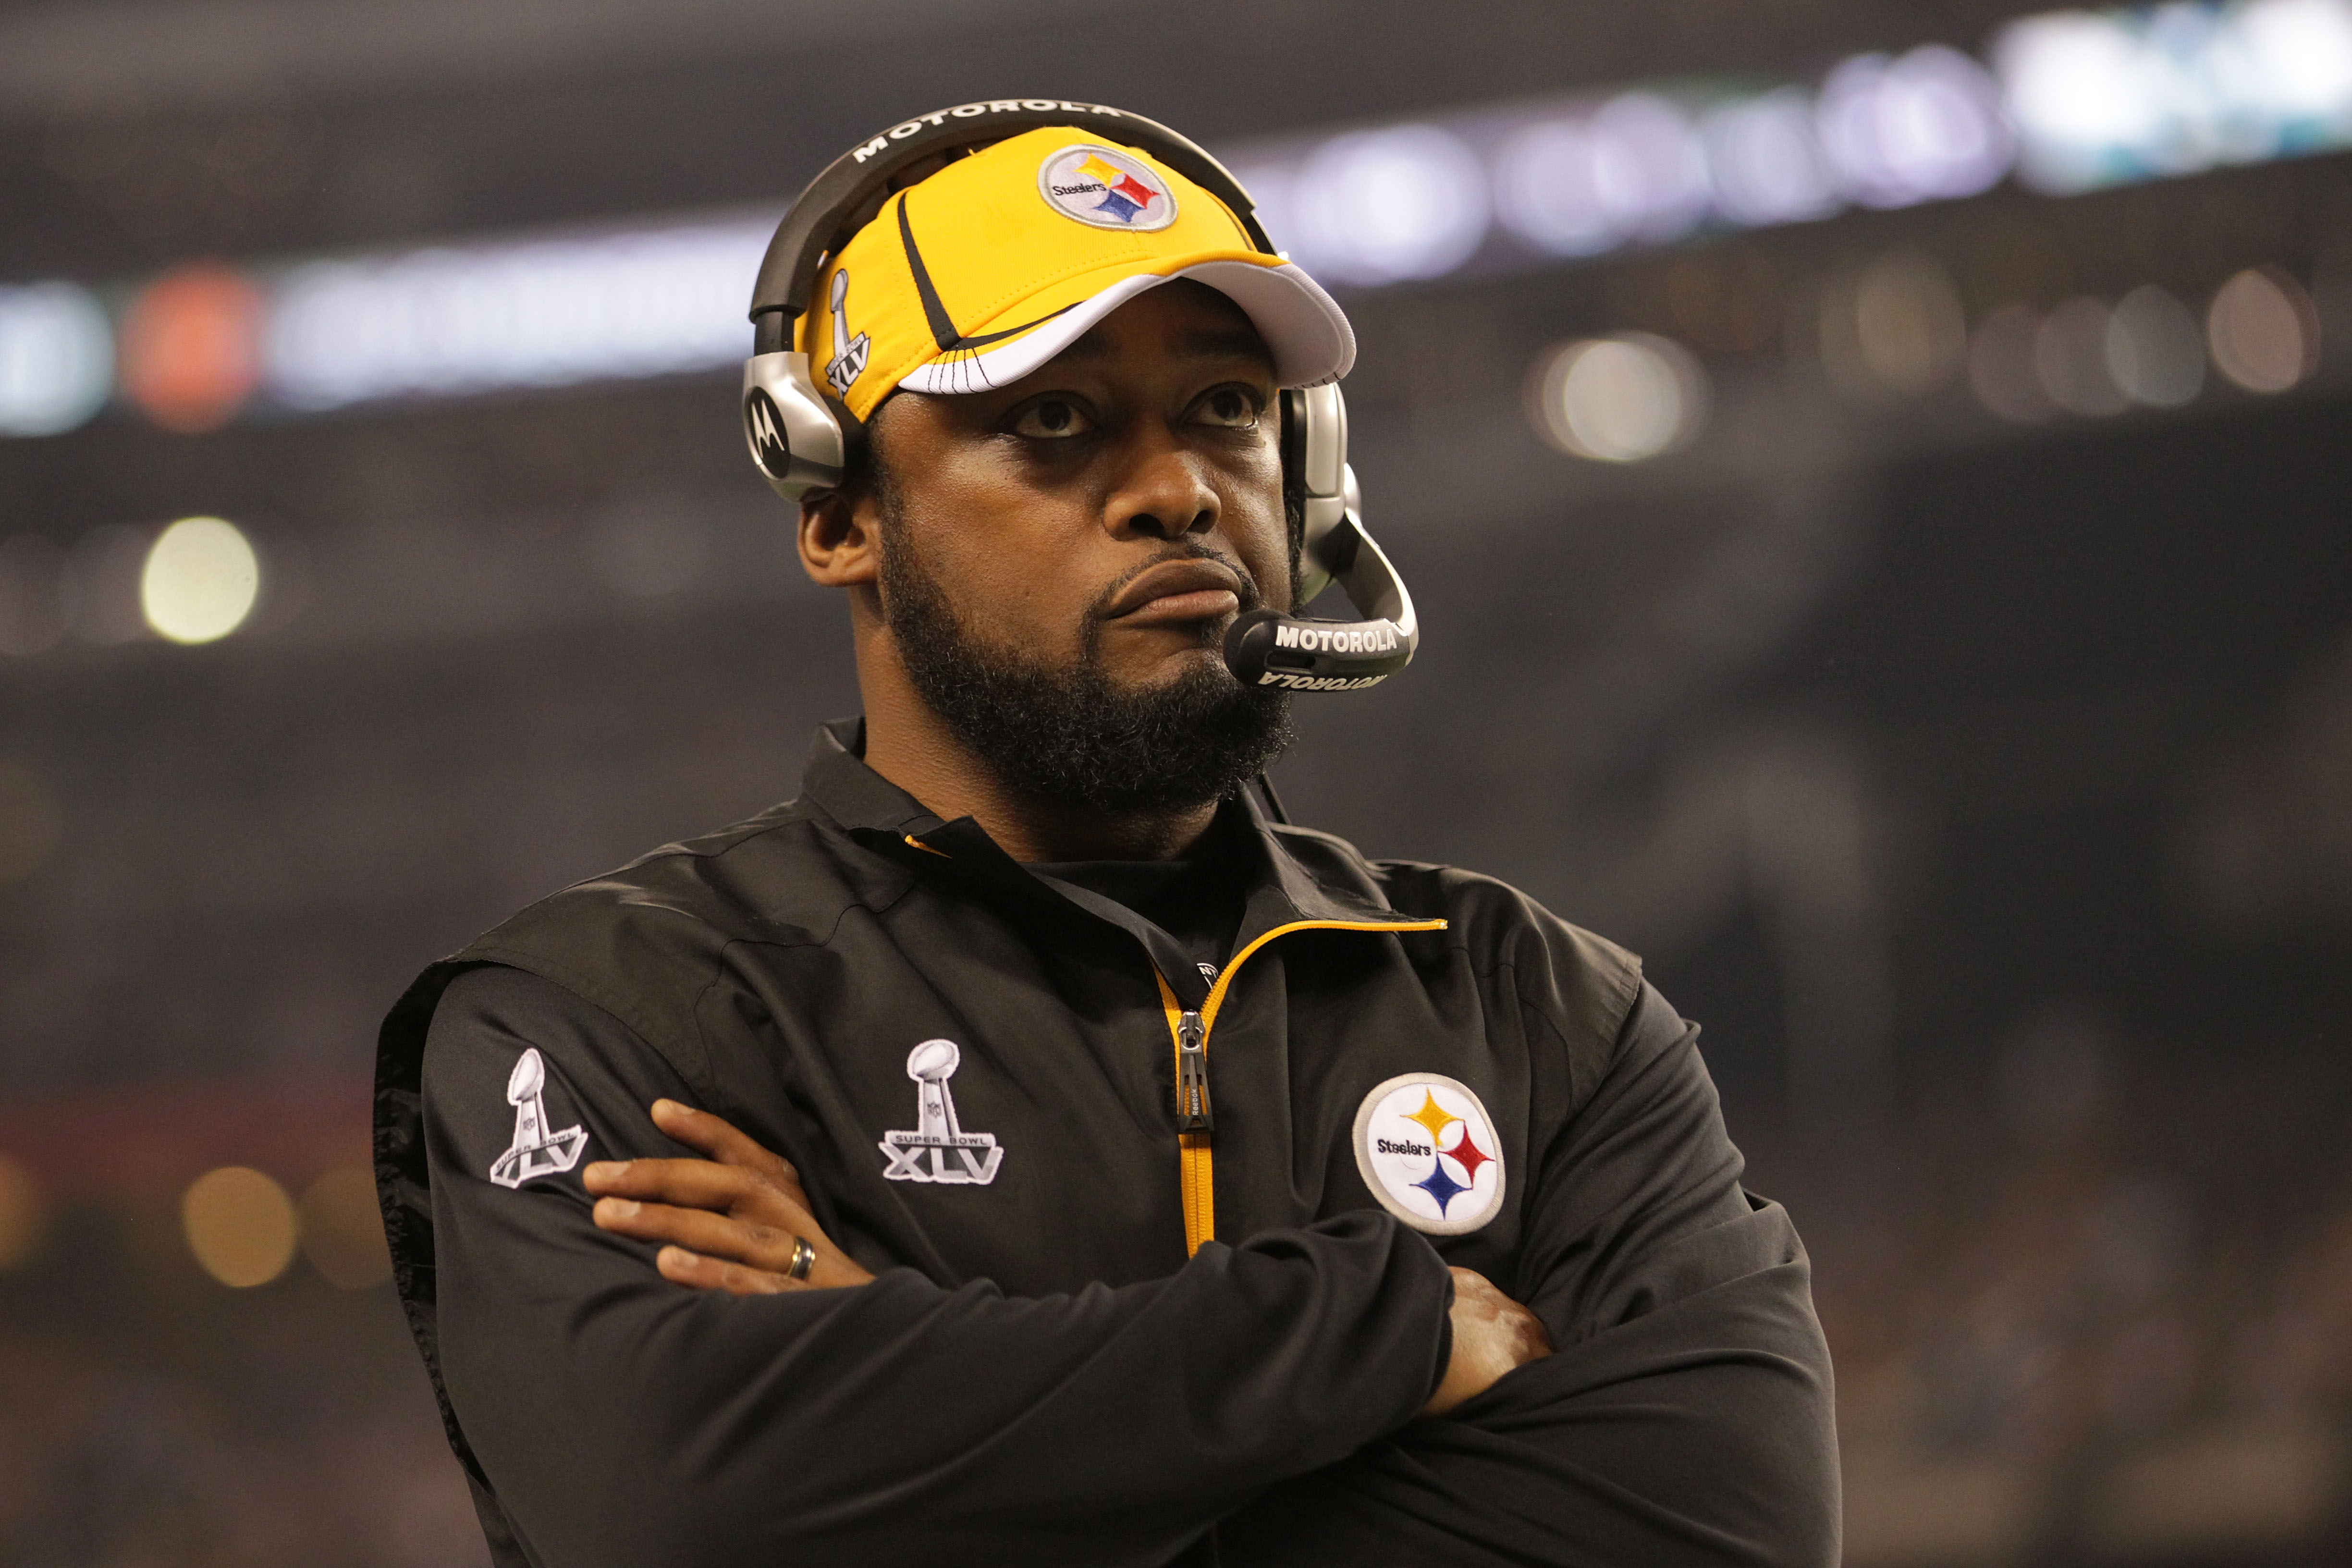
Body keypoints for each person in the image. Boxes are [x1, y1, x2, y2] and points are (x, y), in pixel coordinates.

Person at [375, 107, 1839, 1568]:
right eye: (1053, 422)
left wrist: (908, 1398)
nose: (1179, 489)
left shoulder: (1541, 1012)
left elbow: (1725, 1529)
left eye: (1228, 410)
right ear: (837, 514)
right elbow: (673, 1521)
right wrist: (1382, 1331)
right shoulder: (616, 1022)